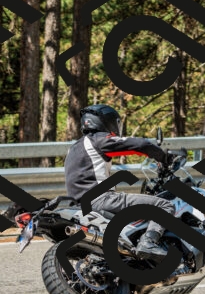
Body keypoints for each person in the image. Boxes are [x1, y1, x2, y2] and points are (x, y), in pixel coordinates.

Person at [64, 104, 175, 261]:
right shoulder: (99, 140)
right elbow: (140, 145)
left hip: (79, 205)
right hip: (101, 199)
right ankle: (148, 242)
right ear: (106, 121)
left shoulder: (74, 147)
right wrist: (164, 158)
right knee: (165, 205)